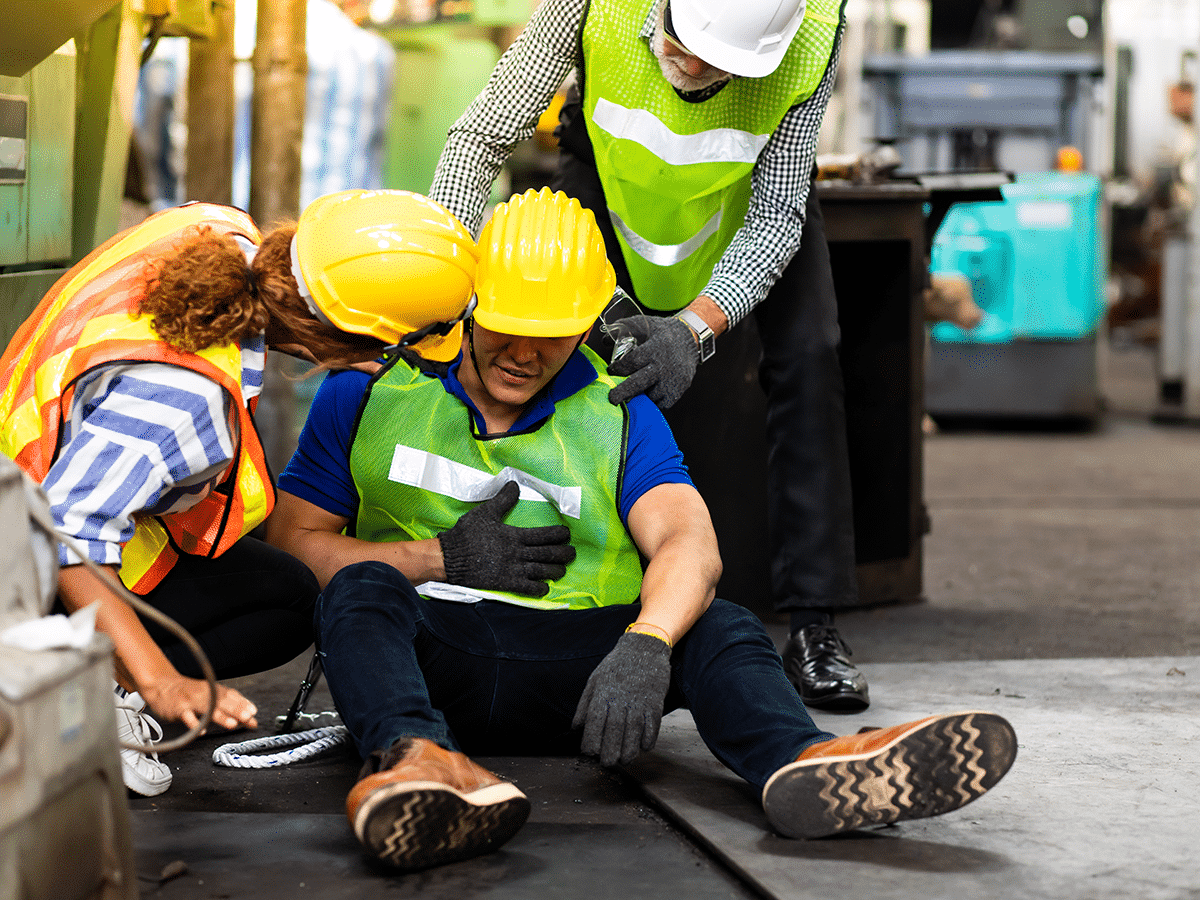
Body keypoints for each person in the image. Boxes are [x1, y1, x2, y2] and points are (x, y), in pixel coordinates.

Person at [267, 188, 1017, 872]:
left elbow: (691, 542)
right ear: (469, 306)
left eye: (553, 334)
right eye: (507, 327)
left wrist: (647, 643)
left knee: (721, 625)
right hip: (430, 662)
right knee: (360, 589)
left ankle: (809, 763)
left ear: (588, 324)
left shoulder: (619, 408)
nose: (525, 354)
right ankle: (417, 764)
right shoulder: (366, 390)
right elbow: (294, 545)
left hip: (587, 686)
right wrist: (439, 557)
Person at [0, 189, 517, 797]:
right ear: (345, 337)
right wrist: (159, 679)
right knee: (262, 615)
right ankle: (86, 694)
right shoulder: (182, 395)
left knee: (288, 595)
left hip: (32, 479)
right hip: (23, 566)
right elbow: (66, 532)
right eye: (392, 350)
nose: (388, 364)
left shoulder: (214, 231)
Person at [430, 0, 871, 711]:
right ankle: (575, 590)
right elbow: (482, 135)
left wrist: (694, 328)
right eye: (682, 43)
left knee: (810, 354)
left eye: (718, 62)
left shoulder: (813, 25)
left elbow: (776, 215)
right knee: (567, 351)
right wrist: (441, 278)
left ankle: (815, 626)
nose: (691, 68)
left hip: (747, 197)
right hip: (609, 174)